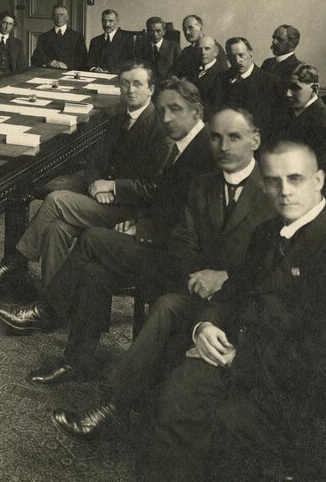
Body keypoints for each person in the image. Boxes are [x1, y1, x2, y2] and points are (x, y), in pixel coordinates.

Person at [140, 142, 326, 481]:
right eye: (273, 181)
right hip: (246, 363)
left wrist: (239, 358)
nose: (284, 191)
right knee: (177, 391)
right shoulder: (266, 233)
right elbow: (232, 293)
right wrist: (206, 325)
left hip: (302, 394)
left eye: (295, 179)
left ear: (319, 180)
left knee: (222, 422)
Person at [51, 108, 276, 438]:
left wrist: (226, 278)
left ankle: (114, 405)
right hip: (193, 285)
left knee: (167, 305)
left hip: (242, 302)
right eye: (216, 137)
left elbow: (273, 262)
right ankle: (77, 361)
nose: (224, 146)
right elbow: (183, 242)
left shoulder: (273, 193)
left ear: (255, 140)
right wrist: (200, 277)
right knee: (96, 269)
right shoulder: (202, 185)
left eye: (235, 137)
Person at [2, 78, 214, 386]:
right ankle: (77, 362)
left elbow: (196, 221)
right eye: (162, 110)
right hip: (156, 238)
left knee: (91, 239)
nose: (166, 118)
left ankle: (48, 308)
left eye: (175, 110)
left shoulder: (204, 151)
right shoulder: (184, 144)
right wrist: (143, 222)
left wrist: (146, 230)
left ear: (196, 111)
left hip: (178, 261)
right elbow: (166, 201)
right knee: (93, 272)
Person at [0, 60, 170, 289]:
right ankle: (52, 305)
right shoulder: (117, 119)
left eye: (137, 84)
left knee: (56, 200)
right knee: (57, 229)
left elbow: (154, 187)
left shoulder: (159, 128)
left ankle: (15, 261)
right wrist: (96, 184)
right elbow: (95, 161)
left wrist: (112, 186)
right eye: (125, 84)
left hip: (131, 211)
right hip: (103, 201)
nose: (130, 89)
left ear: (151, 89)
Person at [273, 63, 326, 180]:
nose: (288, 93)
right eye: (286, 87)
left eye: (295, 87)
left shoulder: (325, 124)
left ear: (314, 89)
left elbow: (313, 172)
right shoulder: (291, 111)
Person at [219, 37, 280, 133]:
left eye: (241, 55)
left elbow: (271, 122)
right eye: (232, 57)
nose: (238, 60)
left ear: (251, 54)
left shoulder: (269, 81)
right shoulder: (222, 78)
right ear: (227, 58)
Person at [30, 4, 86, 70]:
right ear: (52, 17)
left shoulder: (77, 37)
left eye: (61, 14)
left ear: (67, 17)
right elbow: (36, 58)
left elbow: (83, 59)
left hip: (69, 72)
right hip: (49, 73)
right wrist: (48, 62)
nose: (58, 18)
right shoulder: (44, 37)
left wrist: (67, 66)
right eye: (56, 15)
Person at [173, 15, 227, 79]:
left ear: (201, 29)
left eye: (191, 28)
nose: (187, 32)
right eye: (184, 29)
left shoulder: (213, 47)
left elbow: (222, 74)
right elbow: (175, 70)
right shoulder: (186, 51)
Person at [135, 16, 180, 81]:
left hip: (168, 83)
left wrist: (173, 77)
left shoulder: (174, 47)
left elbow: (179, 68)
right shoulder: (141, 47)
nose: (155, 34)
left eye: (158, 31)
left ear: (164, 32)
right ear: (147, 32)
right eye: (151, 31)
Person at [192, 36, 227, 114]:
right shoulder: (193, 70)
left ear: (216, 52)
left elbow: (216, 106)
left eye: (207, 49)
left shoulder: (222, 74)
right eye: (199, 49)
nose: (203, 52)